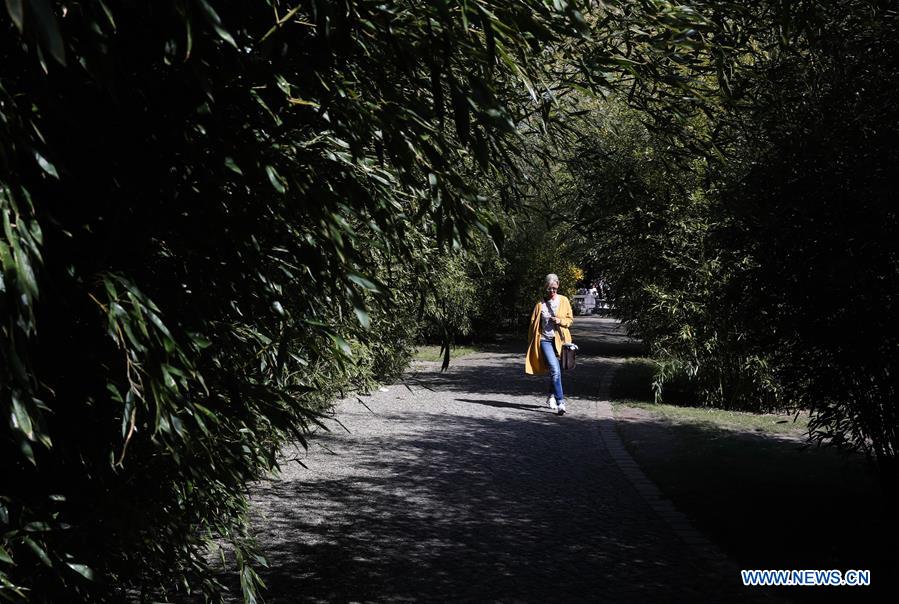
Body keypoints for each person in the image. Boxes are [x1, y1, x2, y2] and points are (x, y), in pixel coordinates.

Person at [525, 273, 574, 415]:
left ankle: (551, 395)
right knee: (554, 369)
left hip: (560, 341)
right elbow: (532, 326)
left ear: (558, 285)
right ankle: (561, 402)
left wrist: (560, 321)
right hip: (544, 340)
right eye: (549, 289)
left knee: (557, 371)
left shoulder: (564, 300)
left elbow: (570, 320)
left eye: (554, 288)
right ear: (545, 288)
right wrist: (531, 344)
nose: (552, 291)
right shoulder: (539, 305)